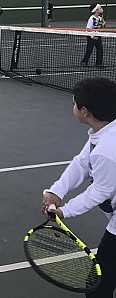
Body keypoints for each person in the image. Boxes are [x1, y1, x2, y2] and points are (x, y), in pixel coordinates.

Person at [42, 78, 116, 298]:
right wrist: (57, 191)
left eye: (74, 104)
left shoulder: (107, 150)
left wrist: (65, 211)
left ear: (85, 111)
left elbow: (100, 192)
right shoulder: (103, 133)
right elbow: (83, 162)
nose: (72, 107)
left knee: (98, 284)